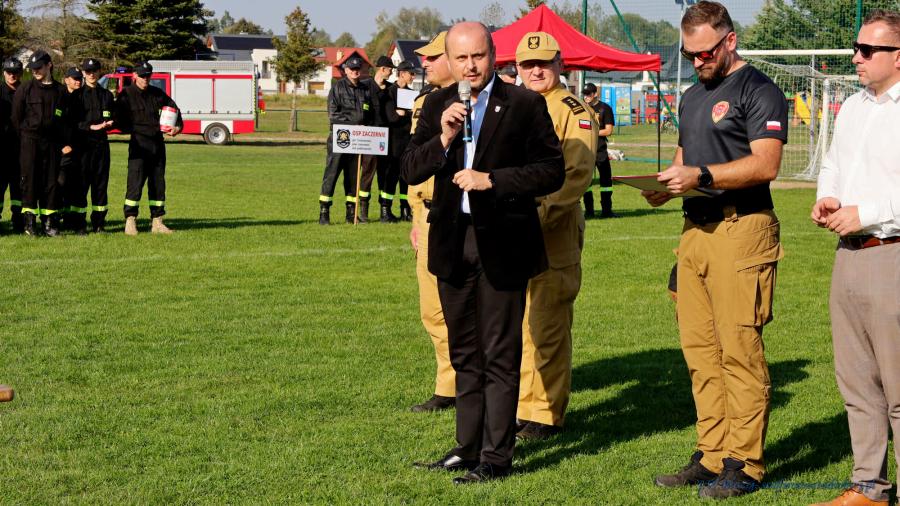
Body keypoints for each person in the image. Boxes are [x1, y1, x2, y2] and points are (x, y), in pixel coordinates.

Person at [403, 21, 565, 484]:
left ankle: (496, 456)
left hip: (503, 243)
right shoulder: (436, 104)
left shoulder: (524, 104)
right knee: (463, 353)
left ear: (494, 55)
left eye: (478, 56)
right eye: (461, 58)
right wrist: (444, 139)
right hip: (452, 243)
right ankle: (466, 447)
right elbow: (409, 169)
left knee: (499, 354)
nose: (470, 66)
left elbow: (551, 171)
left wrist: (492, 180)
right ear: (450, 61)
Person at [640, 1, 788, 499]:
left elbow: (766, 164)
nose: (698, 61)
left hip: (742, 229)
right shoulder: (691, 96)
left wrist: (700, 176)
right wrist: (664, 185)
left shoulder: (759, 90)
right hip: (695, 233)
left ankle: (745, 464)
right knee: (701, 354)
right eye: (690, 54)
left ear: (730, 40)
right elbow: (686, 157)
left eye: (706, 52)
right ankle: (711, 455)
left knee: (739, 353)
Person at [809, 10, 900, 506]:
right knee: (857, 382)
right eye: (856, 48)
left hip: (892, 254)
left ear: (898, 56)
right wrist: (829, 195)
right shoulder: (852, 106)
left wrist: (864, 213)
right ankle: (870, 487)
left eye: (867, 50)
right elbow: (833, 163)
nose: (856, 58)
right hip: (849, 256)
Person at [513, 32, 596, 441]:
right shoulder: (514, 105)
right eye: (527, 64)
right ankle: (523, 406)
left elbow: (577, 174)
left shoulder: (571, 110)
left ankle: (545, 413)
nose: (535, 71)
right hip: (514, 230)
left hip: (552, 230)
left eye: (543, 63)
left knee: (547, 325)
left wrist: (539, 213)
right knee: (521, 326)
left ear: (560, 64)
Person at [406, 31, 458, 413]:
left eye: (433, 56)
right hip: (427, 214)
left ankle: (471, 381)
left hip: (457, 212)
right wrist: (415, 215)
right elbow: (415, 163)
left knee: (464, 305)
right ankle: (449, 385)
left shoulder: (478, 102)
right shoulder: (425, 102)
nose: (425, 63)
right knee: (433, 309)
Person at [115, 61, 182, 236]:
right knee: (135, 184)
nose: (146, 79)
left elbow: (174, 109)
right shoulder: (126, 95)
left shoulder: (157, 93)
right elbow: (119, 121)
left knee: (158, 184)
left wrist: (177, 127)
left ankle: (157, 222)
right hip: (138, 146)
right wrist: (134, 129)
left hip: (157, 146)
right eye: (142, 75)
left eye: (148, 75)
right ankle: (130, 221)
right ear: (134, 75)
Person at [11, 50, 73, 237]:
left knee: (51, 182)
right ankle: (30, 224)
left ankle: (49, 224)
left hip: (52, 143)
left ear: (49, 66)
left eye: (39, 67)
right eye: (33, 68)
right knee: (30, 181)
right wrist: (24, 138)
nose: (35, 71)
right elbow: (16, 118)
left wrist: (64, 142)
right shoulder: (26, 89)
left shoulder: (60, 91)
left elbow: (65, 120)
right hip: (30, 141)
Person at [318, 56, 376, 225]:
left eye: (358, 69)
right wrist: (354, 125)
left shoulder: (365, 89)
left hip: (357, 140)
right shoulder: (337, 88)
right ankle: (324, 212)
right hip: (341, 137)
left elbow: (370, 113)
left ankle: (351, 213)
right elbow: (333, 115)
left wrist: (367, 128)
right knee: (332, 174)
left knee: (352, 177)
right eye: (352, 69)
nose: (355, 72)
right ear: (346, 70)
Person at [75, 58, 115, 233]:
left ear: (99, 72)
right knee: (81, 186)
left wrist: (112, 123)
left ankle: (99, 223)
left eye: (94, 71)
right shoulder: (76, 96)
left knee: (100, 186)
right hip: (83, 147)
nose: (91, 74)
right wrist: (91, 127)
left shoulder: (107, 95)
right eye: (88, 71)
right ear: (83, 73)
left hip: (101, 147)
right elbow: (72, 122)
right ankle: (80, 224)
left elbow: (114, 116)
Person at [379, 60, 415, 223]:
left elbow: (413, 115)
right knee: (391, 174)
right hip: (393, 141)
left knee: (406, 175)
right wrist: (404, 113)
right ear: (402, 74)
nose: (413, 76)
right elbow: (392, 117)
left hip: (408, 140)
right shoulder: (390, 92)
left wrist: (404, 113)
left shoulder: (411, 93)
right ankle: (385, 210)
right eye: (411, 73)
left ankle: (405, 209)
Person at [581, 82, 617, 218]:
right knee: (586, 182)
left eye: (588, 94)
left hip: (600, 150)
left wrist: (591, 132)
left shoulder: (605, 108)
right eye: (584, 94)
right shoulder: (581, 108)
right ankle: (589, 211)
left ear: (595, 94)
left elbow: (608, 130)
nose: (586, 97)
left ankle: (607, 211)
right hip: (586, 150)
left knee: (606, 182)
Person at [61, 66, 87, 234]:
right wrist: (61, 145)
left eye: (79, 78)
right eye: (75, 78)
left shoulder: (83, 98)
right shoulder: (59, 97)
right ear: (66, 80)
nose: (78, 81)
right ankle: (58, 220)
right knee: (60, 184)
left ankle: (77, 222)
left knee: (78, 187)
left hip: (80, 149)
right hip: (63, 150)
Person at [0, 57, 24, 233]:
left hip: (22, 149)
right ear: (4, 73)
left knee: (20, 189)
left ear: (20, 73)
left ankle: (19, 222)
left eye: (15, 72)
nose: (12, 75)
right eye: (9, 72)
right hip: (2, 149)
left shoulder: (27, 92)